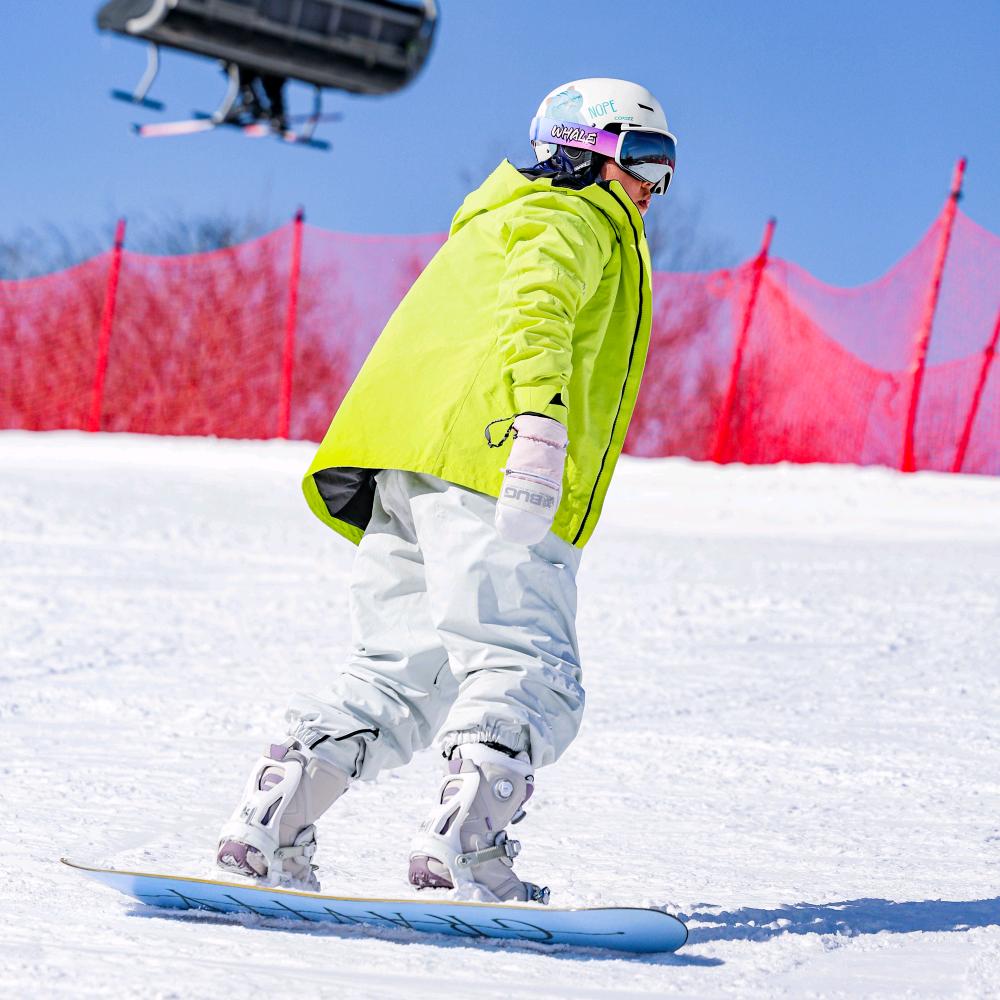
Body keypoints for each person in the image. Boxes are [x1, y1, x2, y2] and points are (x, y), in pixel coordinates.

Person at [216, 78, 677, 904]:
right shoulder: (570, 219)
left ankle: (272, 825)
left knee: (399, 674)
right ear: (583, 148)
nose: (653, 187)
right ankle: (468, 848)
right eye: (644, 158)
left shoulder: (493, 221)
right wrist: (540, 427)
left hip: (408, 469)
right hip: (495, 467)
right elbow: (536, 315)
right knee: (527, 664)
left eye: (665, 169)